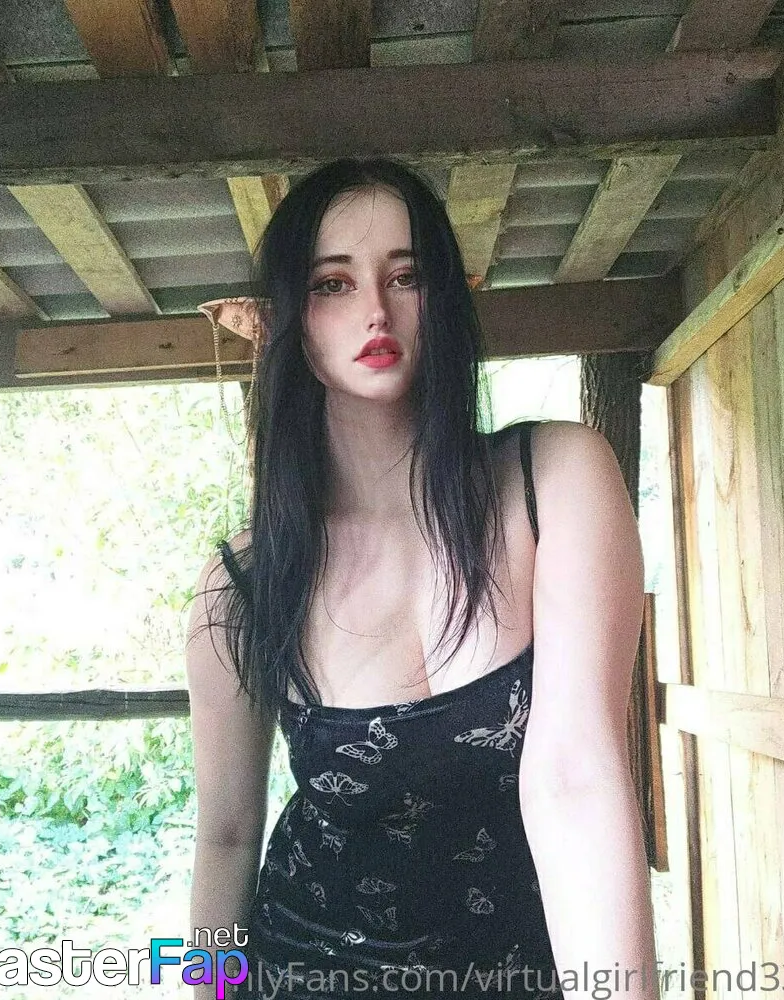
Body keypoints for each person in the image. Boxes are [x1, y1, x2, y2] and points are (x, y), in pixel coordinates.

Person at [185, 158, 657, 999]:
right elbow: (224, 835)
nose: (376, 309)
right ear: (289, 318)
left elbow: (576, 781)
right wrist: (203, 991)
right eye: (333, 283)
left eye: (406, 276)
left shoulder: (556, 481)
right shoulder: (241, 582)